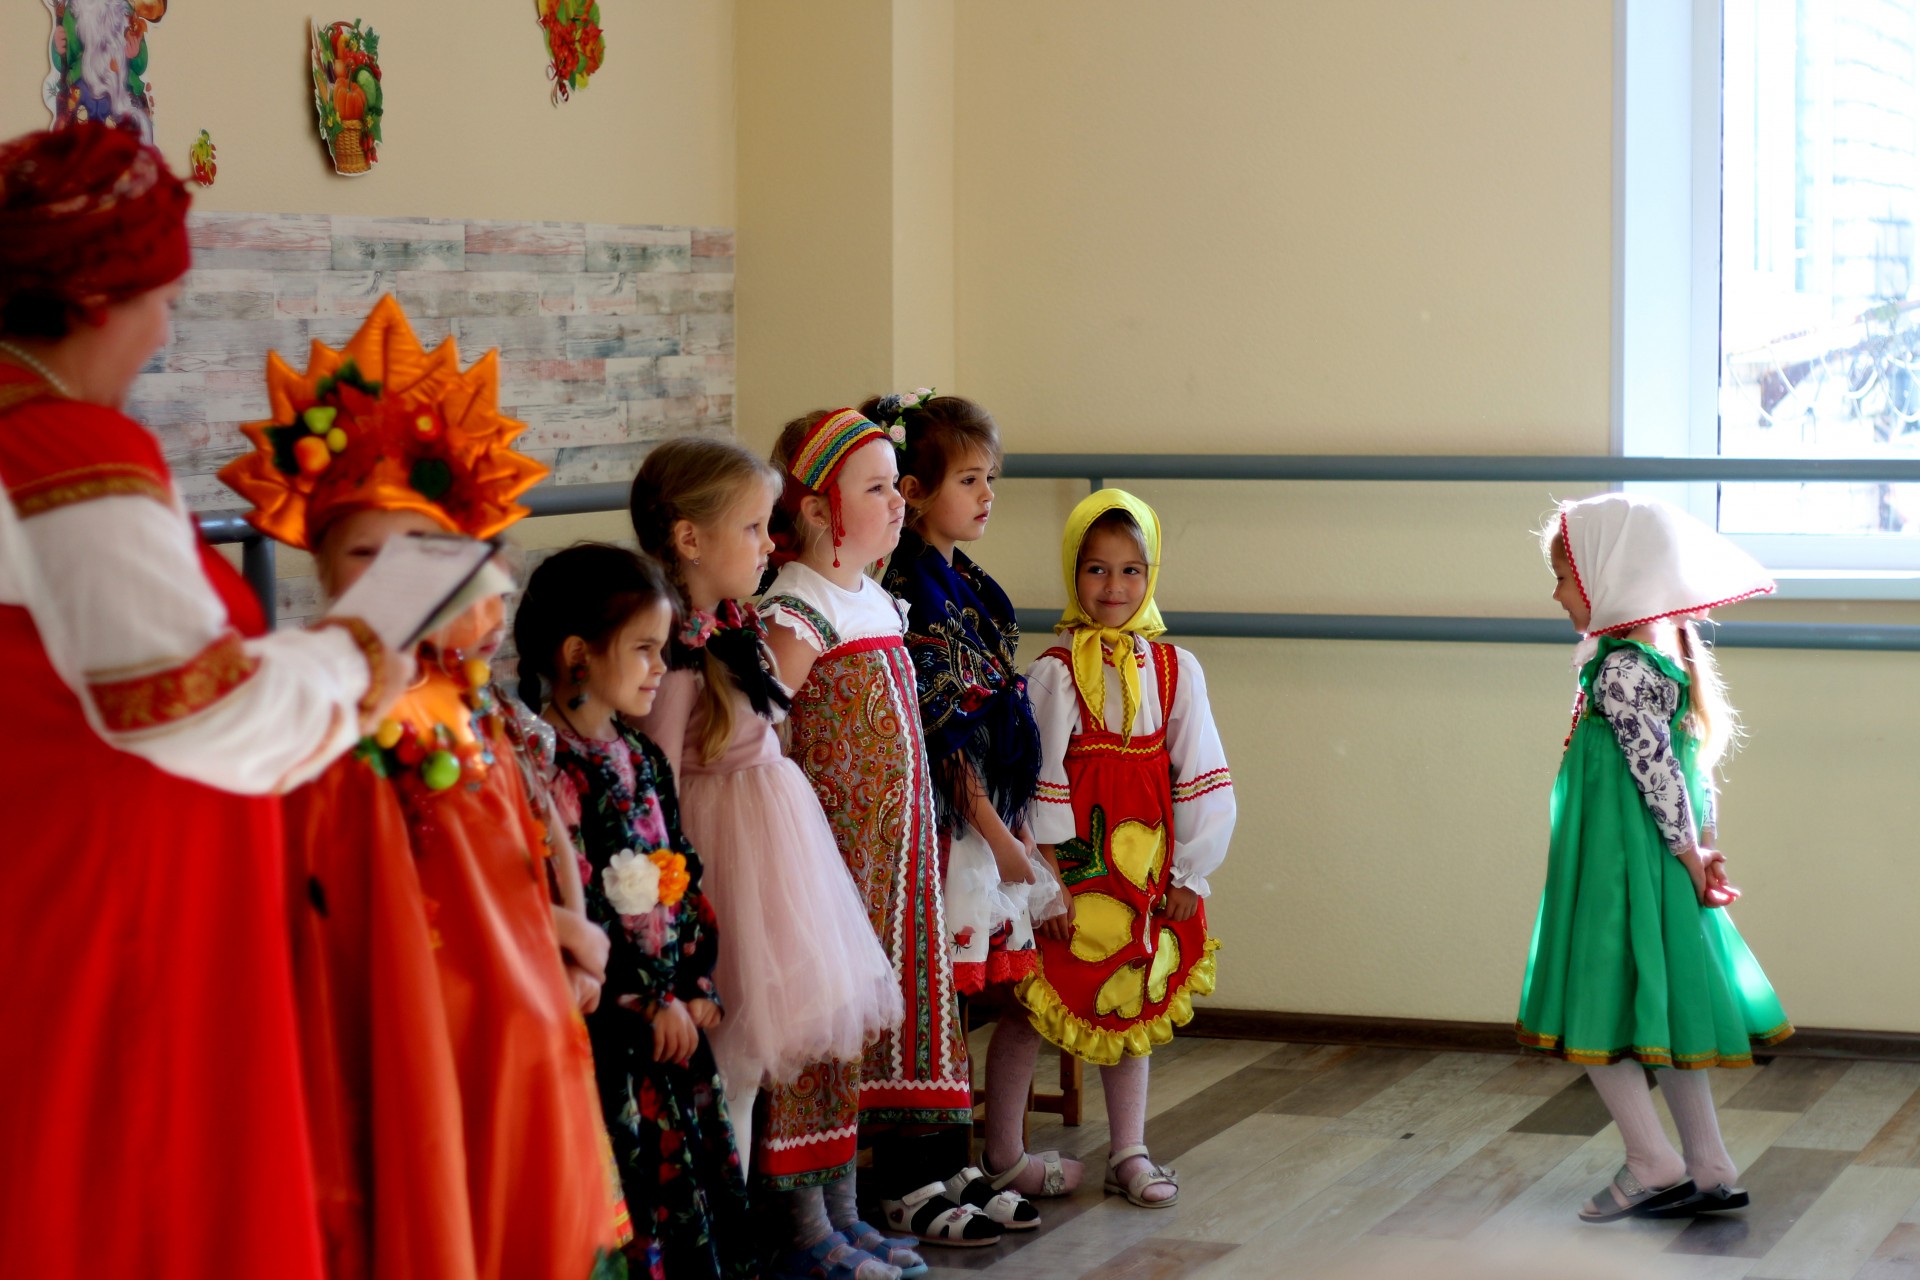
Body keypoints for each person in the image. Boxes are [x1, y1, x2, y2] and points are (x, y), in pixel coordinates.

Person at [0, 122, 404, 1278]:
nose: (166, 332)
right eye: (163, 302)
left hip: (54, 889)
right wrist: (356, 655)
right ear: (97, 299)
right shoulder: (64, 450)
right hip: (114, 921)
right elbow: (190, 704)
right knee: (132, 1203)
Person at [221, 295, 628, 1280]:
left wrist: (567, 927)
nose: (390, 579)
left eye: (418, 553)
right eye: (363, 553)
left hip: (515, 1017)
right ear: (324, 571)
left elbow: (527, 835)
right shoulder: (340, 721)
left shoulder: (463, 699)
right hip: (419, 1025)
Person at [627, 439, 911, 1276]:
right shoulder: (676, 653)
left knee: (746, 1070)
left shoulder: (733, 627)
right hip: (723, 856)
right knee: (724, 1069)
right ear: (690, 540)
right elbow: (655, 780)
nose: (768, 543)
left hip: (776, 843)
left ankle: (744, 1241)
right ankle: (724, 1244)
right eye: (753, 528)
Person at [760, 408, 1001, 1258]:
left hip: (893, 862)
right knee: (822, 1033)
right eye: (876, 488)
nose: (899, 501)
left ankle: (853, 1207)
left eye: (897, 486)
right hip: (831, 861)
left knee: (867, 1034)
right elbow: (762, 740)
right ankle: (803, 1227)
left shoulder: (876, 601)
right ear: (817, 510)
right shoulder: (797, 609)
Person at [1518, 492, 1792, 1223]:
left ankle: (1650, 1160)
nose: (1556, 594)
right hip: (1655, 860)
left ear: (1609, 574)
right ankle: (1708, 1165)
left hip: (1617, 868)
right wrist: (1700, 847)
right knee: (1656, 1008)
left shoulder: (1620, 670)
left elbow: (1659, 771)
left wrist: (1690, 850)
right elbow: (1690, 771)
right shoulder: (1661, 657)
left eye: (1564, 576)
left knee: (1592, 999)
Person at [515, 543, 757, 1280]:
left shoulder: (640, 755)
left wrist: (693, 982)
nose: (660, 666)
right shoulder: (550, 772)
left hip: (672, 1032)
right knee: (634, 1207)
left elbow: (680, 872)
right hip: (614, 1043)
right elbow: (572, 908)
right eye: (644, 649)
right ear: (578, 656)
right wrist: (645, 1003)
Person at [871, 390, 1073, 1225]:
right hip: (949, 824)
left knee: (952, 1000)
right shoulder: (906, 589)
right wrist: (997, 833)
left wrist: (1012, 824)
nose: (988, 494)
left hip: (986, 820)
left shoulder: (972, 587)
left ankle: (954, 1162)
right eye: (968, 479)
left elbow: (994, 720)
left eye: (991, 477)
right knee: (934, 995)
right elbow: (940, 733)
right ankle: (920, 1167)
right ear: (914, 491)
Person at [1020, 489, 1236, 1210]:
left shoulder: (1175, 670)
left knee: (1131, 1001)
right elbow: (1038, 780)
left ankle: (1129, 1150)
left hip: (1144, 872)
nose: (1114, 587)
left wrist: (1191, 872)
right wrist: (1044, 883)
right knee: (1030, 1003)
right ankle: (1004, 1153)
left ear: (1151, 574)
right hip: (1069, 873)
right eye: (1096, 569)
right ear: (1072, 572)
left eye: (1131, 570)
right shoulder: (1053, 673)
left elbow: (1201, 770)